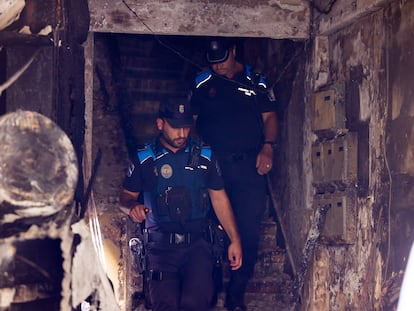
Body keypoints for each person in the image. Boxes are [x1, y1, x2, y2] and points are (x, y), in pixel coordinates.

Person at [119, 97, 242, 311]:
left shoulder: (204, 156)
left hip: (198, 245)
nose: (182, 134)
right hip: (160, 248)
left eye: (186, 127)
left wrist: (235, 239)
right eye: (176, 127)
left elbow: (219, 198)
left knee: (194, 304)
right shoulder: (145, 159)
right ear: (160, 124)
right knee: (165, 305)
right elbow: (125, 197)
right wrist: (132, 208)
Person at [190, 36, 279, 311]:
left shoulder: (256, 80)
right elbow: (190, 124)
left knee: (248, 231)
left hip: (248, 167)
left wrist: (268, 147)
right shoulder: (201, 82)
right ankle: (211, 287)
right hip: (214, 166)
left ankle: (236, 294)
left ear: (233, 51)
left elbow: (270, 118)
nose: (218, 68)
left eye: (223, 61)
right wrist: (198, 153)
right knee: (212, 230)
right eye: (213, 63)